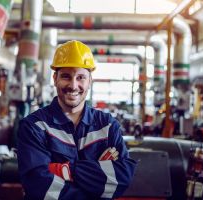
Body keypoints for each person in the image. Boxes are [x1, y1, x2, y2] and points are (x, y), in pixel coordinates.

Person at [17, 40, 136, 200]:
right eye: (66, 76)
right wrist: (96, 174)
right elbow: (38, 186)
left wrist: (66, 170)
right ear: (55, 78)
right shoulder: (34, 126)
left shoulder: (107, 125)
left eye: (81, 77)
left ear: (89, 81)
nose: (73, 85)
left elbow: (121, 179)